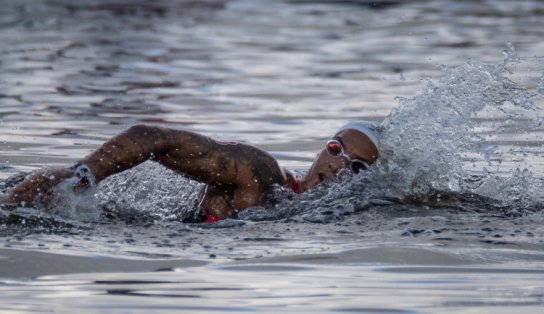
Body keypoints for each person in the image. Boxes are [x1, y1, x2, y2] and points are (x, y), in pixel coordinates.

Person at [5, 121, 379, 223]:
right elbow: (154, 136)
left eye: (357, 167)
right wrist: (85, 177)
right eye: (336, 149)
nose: (338, 166)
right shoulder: (261, 172)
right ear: (322, 147)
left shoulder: (327, 216)